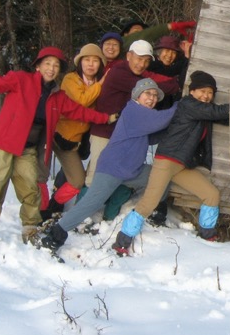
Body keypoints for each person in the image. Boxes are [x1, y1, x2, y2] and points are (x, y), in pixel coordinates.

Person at [0, 47, 116, 250]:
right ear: (38, 66)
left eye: (56, 66)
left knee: (31, 189)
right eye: (47, 64)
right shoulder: (20, 80)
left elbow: (80, 112)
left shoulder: (57, 96)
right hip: (3, 144)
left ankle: (30, 227)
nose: (51, 69)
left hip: (27, 149)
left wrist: (106, 117)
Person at [112, 71, 230, 254]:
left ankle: (208, 236)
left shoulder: (203, 110)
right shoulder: (189, 104)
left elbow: (226, 117)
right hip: (166, 161)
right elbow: (218, 111)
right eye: (202, 91)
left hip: (181, 165)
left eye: (210, 93)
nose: (206, 96)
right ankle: (122, 242)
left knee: (211, 194)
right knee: (149, 203)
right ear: (192, 92)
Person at [40, 79, 178, 253]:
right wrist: (181, 106)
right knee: (92, 203)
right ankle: (56, 233)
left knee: (160, 178)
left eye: (155, 96)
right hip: (113, 168)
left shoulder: (142, 115)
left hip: (132, 170)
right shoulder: (134, 110)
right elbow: (162, 119)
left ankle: (157, 213)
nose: (152, 98)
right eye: (148, 94)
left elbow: (152, 137)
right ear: (138, 95)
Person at [86, 40, 180, 221]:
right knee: (95, 178)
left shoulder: (135, 72)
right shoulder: (119, 73)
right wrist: (174, 86)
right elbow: (152, 86)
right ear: (128, 56)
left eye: (146, 60)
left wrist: (173, 80)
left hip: (122, 135)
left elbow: (151, 78)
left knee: (122, 176)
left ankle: (107, 214)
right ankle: (86, 218)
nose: (141, 64)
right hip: (104, 132)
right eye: (138, 59)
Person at [40, 43, 108, 219]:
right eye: (87, 60)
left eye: (95, 61)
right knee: (40, 175)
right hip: (58, 135)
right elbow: (81, 101)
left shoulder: (97, 83)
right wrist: (100, 84)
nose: (91, 64)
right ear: (80, 62)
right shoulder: (71, 79)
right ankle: (43, 209)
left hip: (76, 140)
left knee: (77, 180)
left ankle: (55, 203)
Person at [147, 35, 191, 107]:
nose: (170, 55)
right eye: (167, 51)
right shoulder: (152, 65)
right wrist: (186, 57)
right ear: (159, 52)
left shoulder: (169, 66)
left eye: (173, 52)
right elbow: (169, 72)